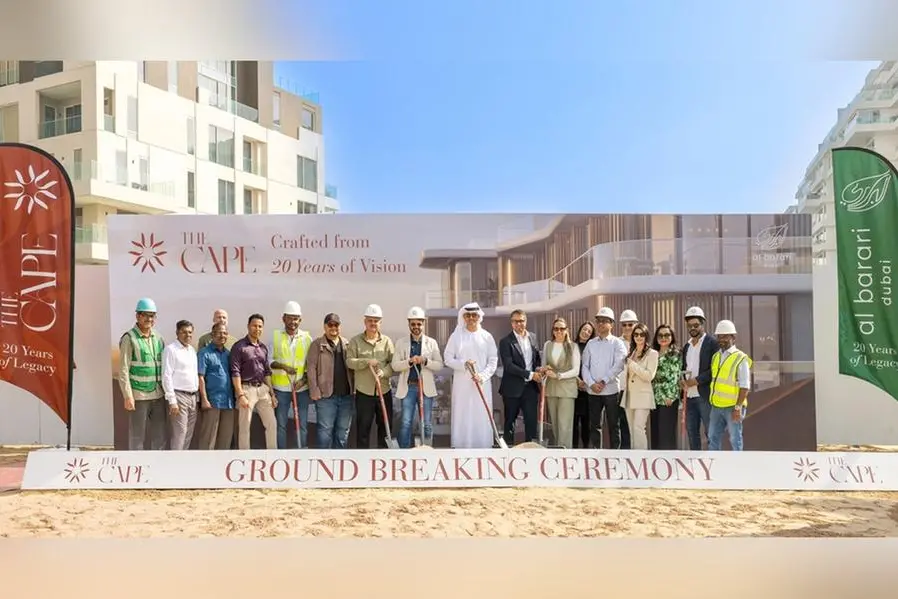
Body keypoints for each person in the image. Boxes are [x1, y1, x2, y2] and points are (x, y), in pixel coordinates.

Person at [443, 302, 499, 449]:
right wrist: (463, 364)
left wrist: (483, 376)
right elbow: (447, 358)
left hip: (482, 384)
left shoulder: (487, 336)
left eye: (474, 315)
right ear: (463, 317)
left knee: (481, 415)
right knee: (463, 415)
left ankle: (483, 447)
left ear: (479, 316)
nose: (471, 318)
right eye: (467, 315)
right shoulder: (456, 336)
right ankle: (461, 447)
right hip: (462, 385)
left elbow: (493, 360)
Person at [118, 297, 167, 451]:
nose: (149, 319)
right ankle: (136, 464)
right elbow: (123, 369)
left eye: (152, 316)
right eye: (145, 315)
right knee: (137, 435)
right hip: (139, 395)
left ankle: (157, 463)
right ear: (137, 316)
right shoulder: (129, 338)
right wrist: (128, 396)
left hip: (158, 394)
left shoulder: (158, 338)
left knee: (160, 435)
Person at [392, 306, 444, 448]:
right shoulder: (401, 343)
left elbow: (439, 365)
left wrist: (425, 361)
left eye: (419, 324)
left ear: (423, 323)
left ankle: (426, 449)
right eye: (413, 324)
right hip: (409, 387)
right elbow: (395, 365)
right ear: (409, 324)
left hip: (425, 388)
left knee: (426, 423)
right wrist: (409, 362)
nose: (416, 327)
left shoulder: (431, 343)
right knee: (406, 422)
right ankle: (404, 452)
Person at [346, 304, 395, 449]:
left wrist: (383, 372)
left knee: (385, 428)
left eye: (376, 321)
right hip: (364, 393)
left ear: (380, 322)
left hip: (384, 391)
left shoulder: (387, 342)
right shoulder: (355, 341)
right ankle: (363, 458)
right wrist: (366, 362)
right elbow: (349, 362)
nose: (373, 323)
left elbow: (393, 364)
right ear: (365, 321)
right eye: (370, 320)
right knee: (363, 429)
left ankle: (384, 458)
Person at [580, 307, 627, 449]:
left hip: (611, 391)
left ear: (611, 324)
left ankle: (615, 455)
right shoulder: (591, 343)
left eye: (604, 321)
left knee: (614, 425)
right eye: (598, 321)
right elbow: (585, 366)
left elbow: (619, 365)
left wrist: (604, 381)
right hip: (593, 391)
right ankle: (596, 454)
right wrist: (591, 383)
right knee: (595, 425)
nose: (600, 323)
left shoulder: (617, 343)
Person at [307, 313, 355, 449]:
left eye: (336, 325)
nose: (333, 328)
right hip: (325, 397)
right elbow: (311, 368)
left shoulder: (347, 344)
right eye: (330, 325)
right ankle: (324, 460)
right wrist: (314, 389)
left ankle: (339, 460)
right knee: (325, 432)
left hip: (346, 397)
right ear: (325, 327)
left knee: (343, 432)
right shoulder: (317, 344)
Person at [230, 313, 278, 450]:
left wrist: (272, 394)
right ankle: (244, 456)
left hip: (262, 389)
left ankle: (272, 454)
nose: (257, 329)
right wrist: (240, 394)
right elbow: (235, 372)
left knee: (271, 424)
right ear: (248, 326)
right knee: (245, 426)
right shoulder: (239, 347)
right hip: (246, 390)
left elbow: (267, 372)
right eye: (254, 326)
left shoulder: (263, 348)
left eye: (260, 326)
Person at [270, 301, 313, 449]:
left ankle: (301, 450)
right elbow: (269, 361)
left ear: (300, 320)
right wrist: (284, 367)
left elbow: (311, 364)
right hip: (281, 389)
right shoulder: (275, 336)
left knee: (302, 424)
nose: (293, 322)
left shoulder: (307, 338)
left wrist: (304, 380)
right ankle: (281, 453)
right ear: (283, 319)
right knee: (280, 424)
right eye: (290, 318)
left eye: (296, 319)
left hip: (301, 389)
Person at [498, 309, 543, 445]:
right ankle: (508, 452)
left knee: (531, 422)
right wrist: (530, 374)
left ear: (526, 321)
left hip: (530, 388)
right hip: (512, 388)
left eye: (521, 321)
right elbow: (509, 365)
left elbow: (536, 359)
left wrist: (539, 369)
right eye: (516, 321)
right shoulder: (505, 341)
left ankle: (531, 451)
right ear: (511, 323)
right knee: (510, 423)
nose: (519, 324)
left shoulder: (533, 337)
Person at [707, 319, 752, 451]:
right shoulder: (716, 357)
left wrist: (738, 407)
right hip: (716, 405)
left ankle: (737, 462)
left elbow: (745, 386)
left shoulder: (740, 358)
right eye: (719, 336)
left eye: (725, 336)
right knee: (712, 437)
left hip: (733, 406)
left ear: (733, 337)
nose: (722, 339)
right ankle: (715, 462)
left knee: (735, 439)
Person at [680, 306, 719, 450]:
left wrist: (696, 381)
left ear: (703, 324)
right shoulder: (687, 346)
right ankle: (695, 462)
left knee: (710, 432)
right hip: (689, 397)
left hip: (705, 396)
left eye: (696, 325)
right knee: (692, 434)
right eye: (690, 326)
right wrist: (682, 381)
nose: (692, 328)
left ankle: (714, 460)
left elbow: (715, 369)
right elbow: (684, 368)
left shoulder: (712, 343)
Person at [542, 317, 581, 449]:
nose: (559, 331)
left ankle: (565, 452)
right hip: (551, 388)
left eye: (562, 329)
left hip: (567, 389)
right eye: (556, 329)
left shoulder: (573, 346)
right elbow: (543, 364)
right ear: (553, 330)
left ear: (566, 330)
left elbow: (576, 370)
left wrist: (559, 375)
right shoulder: (548, 345)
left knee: (565, 425)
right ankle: (557, 453)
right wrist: (544, 369)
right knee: (555, 424)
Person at [196, 322, 237, 450]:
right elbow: (200, 377)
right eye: (219, 333)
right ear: (212, 334)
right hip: (212, 401)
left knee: (225, 439)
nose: (222, 335)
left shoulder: (229, 354)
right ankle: (205, 461)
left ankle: (222, 462)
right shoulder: (204, 353)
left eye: (225, 333)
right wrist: (204, 399)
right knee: (208, 438)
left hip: (228, 402)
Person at [161, 319, 199, 451]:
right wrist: (172, 401)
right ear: (177, 333)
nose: (188, 335)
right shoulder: (171, 350)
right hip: (179, 396)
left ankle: (184, 460)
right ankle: (175, 460)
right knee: (180, 433)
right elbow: (166, 375)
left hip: (193, 397)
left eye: (190, 332)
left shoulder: (192, 350)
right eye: (184, 332)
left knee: (188, 433)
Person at [621, 322, 658, 450]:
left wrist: (632, 365)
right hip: (629, 396)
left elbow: (649, 376)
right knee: (631, 429)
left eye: (642, 334)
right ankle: (633, 457)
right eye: (636, 334)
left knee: (638, 428)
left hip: (643, 396)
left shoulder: (652, 353)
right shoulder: (631, 353)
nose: (638, 337)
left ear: (646, 336)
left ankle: (642, 456)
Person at [649, 324, 682, 450]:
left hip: (668, 399)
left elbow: (675, 377)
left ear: (672, 337)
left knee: (666, 434)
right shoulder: (653, 354)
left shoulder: (675, 354)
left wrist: (671, 396)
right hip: (654, 398)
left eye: (667, 335)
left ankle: (668, 460)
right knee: (656, 432)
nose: (663, 338)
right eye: (660, 335)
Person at [616, 309, 639, 449]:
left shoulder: (642, 343)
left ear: (636, 324)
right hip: (621, 389)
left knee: (637, 425)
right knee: (622, 424)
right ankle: (624, 453)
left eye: (630, 324)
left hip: (637, 390)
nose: (627, 327)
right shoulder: (616, 343)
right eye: (624, 325)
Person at [572, 321, 595, 448]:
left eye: (589, 331)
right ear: (580, 329)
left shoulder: (592, 348)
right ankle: (574, 450)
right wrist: (577, 380)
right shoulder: (571, 346)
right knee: (573, 423)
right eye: (584, 329)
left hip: (588, 390)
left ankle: (586, 449)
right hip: (573, 388)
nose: (586, 332)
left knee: (587, 424)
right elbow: (567, 366)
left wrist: (587, 382)